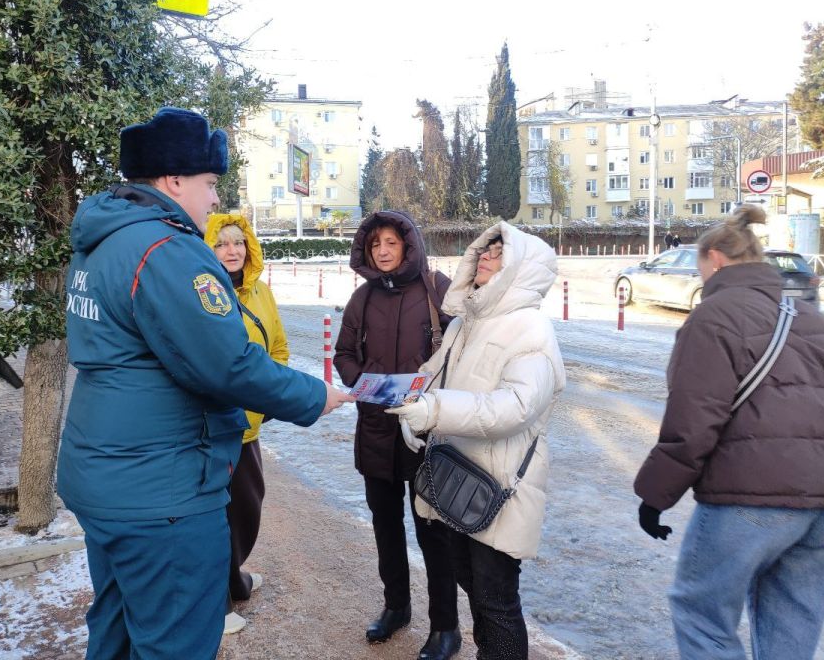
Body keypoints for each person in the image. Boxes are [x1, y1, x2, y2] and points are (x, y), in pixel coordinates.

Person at [56, 107, 354, 660]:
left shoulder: (100, 242)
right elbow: (228, 364)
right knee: (175, 642)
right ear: (173, 180)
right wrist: (316, 395)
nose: (215, 200)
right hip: (161, 491)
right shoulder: (165, 250)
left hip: (103, 473)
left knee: (118, 628)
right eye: (210, 183)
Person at [634, 204, 824, 660]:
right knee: (792, 619)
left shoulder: (713, 317)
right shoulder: (809, 319)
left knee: (701, 613)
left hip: (747, 499)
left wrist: (655, 495)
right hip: (818, 503)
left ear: (715, 258)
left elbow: (694, 419)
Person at [388, 222, 566, 660]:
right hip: (457, 478)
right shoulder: (465, 323)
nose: (485, 256)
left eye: (499, 253)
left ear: (521, 269)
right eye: (485, 250)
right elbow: (432, 374)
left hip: (501, 485)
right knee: (474, 587)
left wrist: (435, 410)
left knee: (496, 600)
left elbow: (516, 407)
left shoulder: (531, 330)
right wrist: (409, 405)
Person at [333, 210, 461, 660]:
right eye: (376, 245)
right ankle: (396, 608)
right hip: (375, 428)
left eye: (392, 243)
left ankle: (446, 627)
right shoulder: (362, 298)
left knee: (433, 533)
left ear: (409, 245)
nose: (384, 251)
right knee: (386, 527)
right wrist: (364, 381)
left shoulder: (436, 289)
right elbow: (343, 354)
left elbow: (459, 352)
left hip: (426, 432)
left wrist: (429, 392)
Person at [204, 213, 287, 635]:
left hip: (250, 428)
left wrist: (271, 397)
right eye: (220, 243)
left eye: (238, 242)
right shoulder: (202, 296)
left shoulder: (261, 293)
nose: (231, 251)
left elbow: (279, 349)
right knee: (213, 517)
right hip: (213, 428)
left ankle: (235, 579)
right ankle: (215, 606)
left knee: (246, 510)